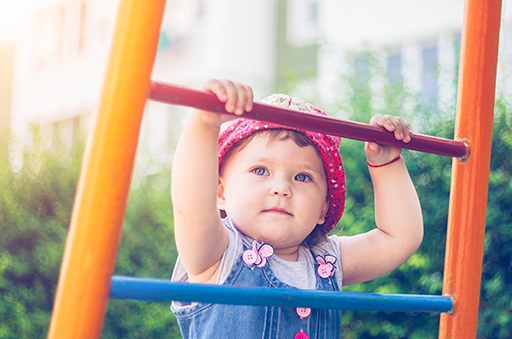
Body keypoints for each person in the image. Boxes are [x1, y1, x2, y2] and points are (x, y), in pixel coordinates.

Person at [170, 79, 423, 338]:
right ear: (221, 193)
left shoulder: (326, 259)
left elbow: (399, 238)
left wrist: (387, 164)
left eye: (302, 177)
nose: (281, 188)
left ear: (324, 208)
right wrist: (204, 123)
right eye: (260, 170)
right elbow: (191, 207)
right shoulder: (217, 254)